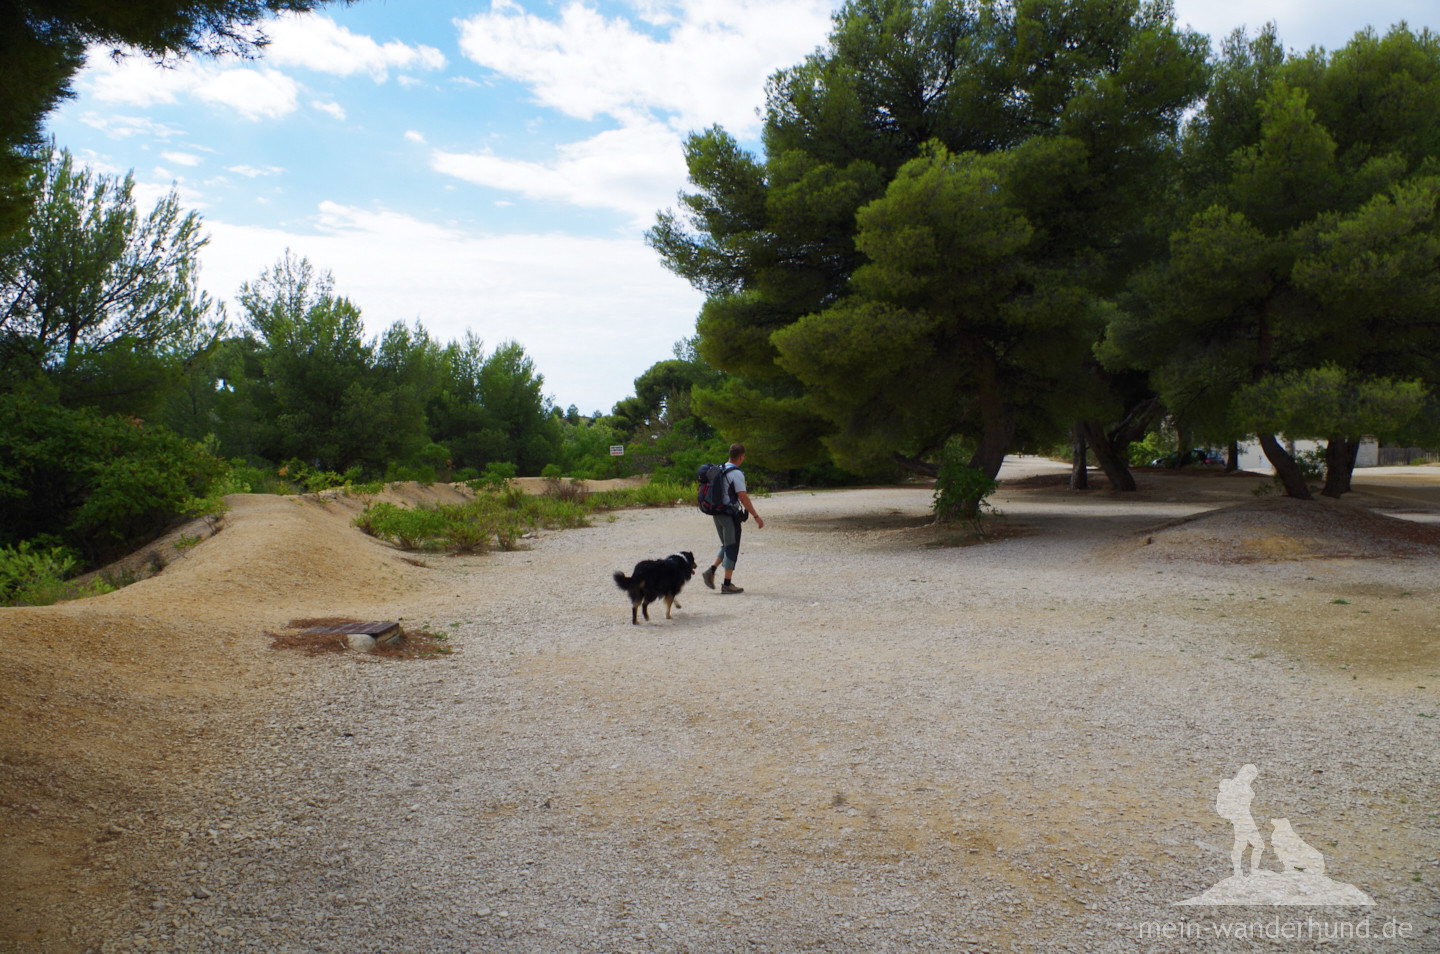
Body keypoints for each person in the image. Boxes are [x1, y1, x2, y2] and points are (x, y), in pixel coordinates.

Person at [702, 443, 764, 594]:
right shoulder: (736, 473)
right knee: (731, 546)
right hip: (729, 514)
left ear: (730, 454)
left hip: (716, 512)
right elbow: (743, 496)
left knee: (726, 544)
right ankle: (727, 585)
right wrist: (756, 516)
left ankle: (711, 570)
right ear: (741, 456)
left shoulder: (721, 468)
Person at [1216, 764, 1265, 878]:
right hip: (1243, 818)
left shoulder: (1240, 785)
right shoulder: (1237, 786)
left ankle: (1242, 871)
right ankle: (1249, 871)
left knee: (1242, 845)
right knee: (1253, 845)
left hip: (1242, 818)